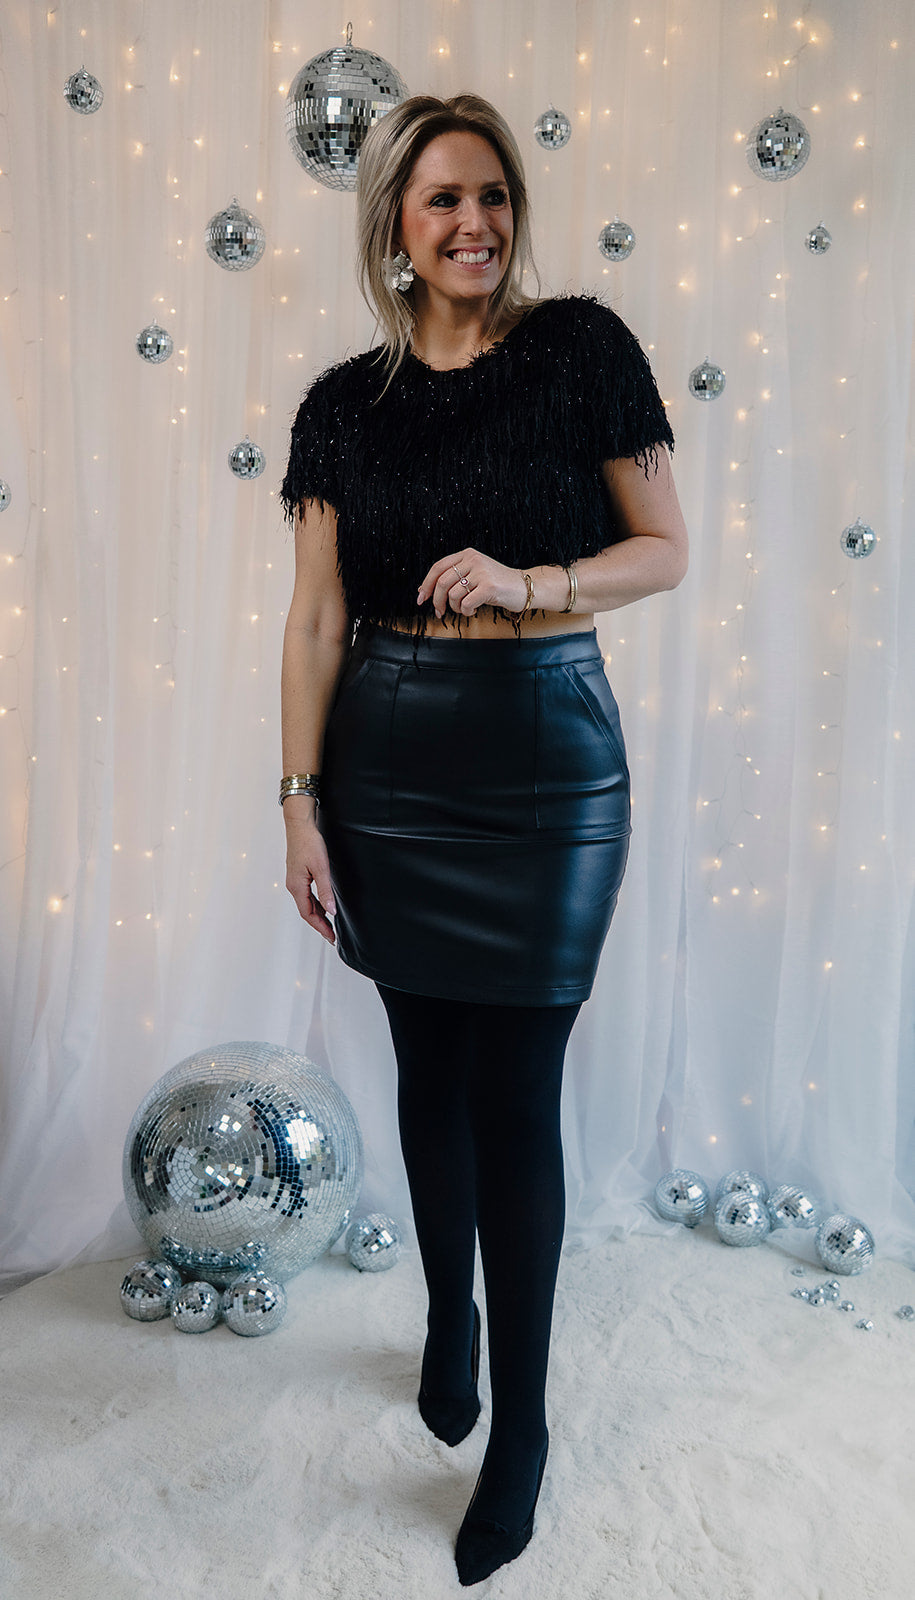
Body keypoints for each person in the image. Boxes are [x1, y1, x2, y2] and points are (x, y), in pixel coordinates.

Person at [279, 93, 687, 1587]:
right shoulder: (344, 403)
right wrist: (299, 801)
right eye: (444, 198)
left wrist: (531, 581)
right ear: (394, 221)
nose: (475, 224)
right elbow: (315, 617)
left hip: (545, 761)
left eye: (494, 195)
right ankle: (447, 1313)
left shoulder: (582, 350)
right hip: (387, 759)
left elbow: (666, 549)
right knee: (427, 1066)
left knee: (515, 1088)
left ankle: (521, 1429)